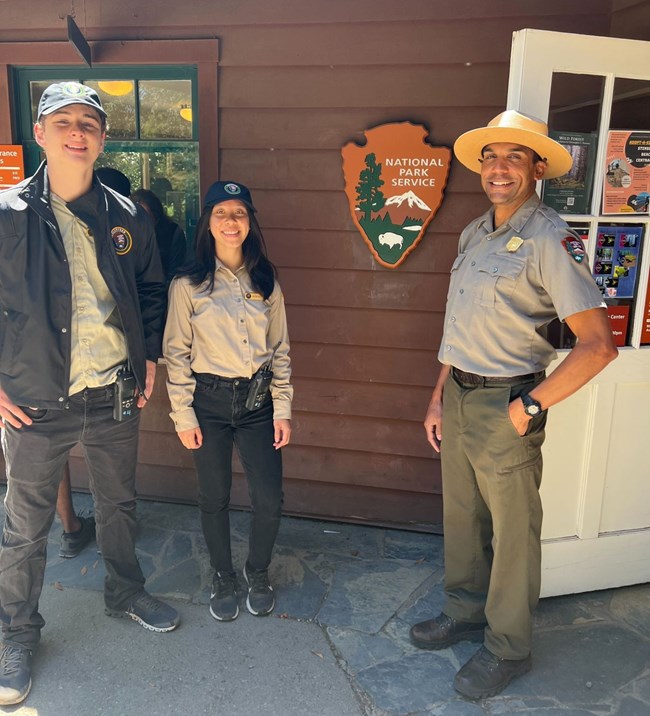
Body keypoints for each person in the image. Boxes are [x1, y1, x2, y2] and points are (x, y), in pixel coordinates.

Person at [409, 110, 618, 699]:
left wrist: (530, 406)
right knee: (462, 516)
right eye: (491, 157)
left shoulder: (551, 238)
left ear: (537, 170)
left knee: (513, 530)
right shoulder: (475, 232)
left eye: (515, 157)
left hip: (507, 399)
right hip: (458, 395)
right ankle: (466, 610)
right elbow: (459, 327)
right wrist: (435, 398)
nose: (500, 168)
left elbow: (598, 347)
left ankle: (508, 648)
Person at [0, 81, 179, 706]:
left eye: (90, 123)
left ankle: (125, 591)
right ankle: (17, 632)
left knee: (119, 504)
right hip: (34, 401)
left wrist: (150, 352)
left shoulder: (127, 216)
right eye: (65, 120)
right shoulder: (6, 214)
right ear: (41, 131)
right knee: (23, 529)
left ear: (102, 138)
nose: (78, 132)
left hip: (112, 395)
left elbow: (152, 291)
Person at [163, 180, 292, 623]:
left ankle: (256, 571)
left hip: (258, 404)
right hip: (209, 403)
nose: (230, 221)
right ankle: (222, 574)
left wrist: (284, 408)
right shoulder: (188, 284)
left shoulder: (266, 279)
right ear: (208, 223)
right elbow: (176, 353)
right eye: (221, 212)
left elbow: (280, 350)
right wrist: (182, 413)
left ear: (250, 222)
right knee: (213, 496)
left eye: (239, 212)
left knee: (270, 498)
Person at [55, 168, 133, 560]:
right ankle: (69, 525)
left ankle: (120, 576)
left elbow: (149, 290)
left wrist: (146, 357)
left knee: (115, 494)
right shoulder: (25, 218)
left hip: (110, 375)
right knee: (25, 512)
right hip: (45, 379)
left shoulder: (130, 227)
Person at [132, 188, 187, 285]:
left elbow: (175, 274)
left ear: (156, 217)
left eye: (144, 216)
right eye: (134, 216)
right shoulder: (123, 235)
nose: (138, 221)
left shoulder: (172, 233)